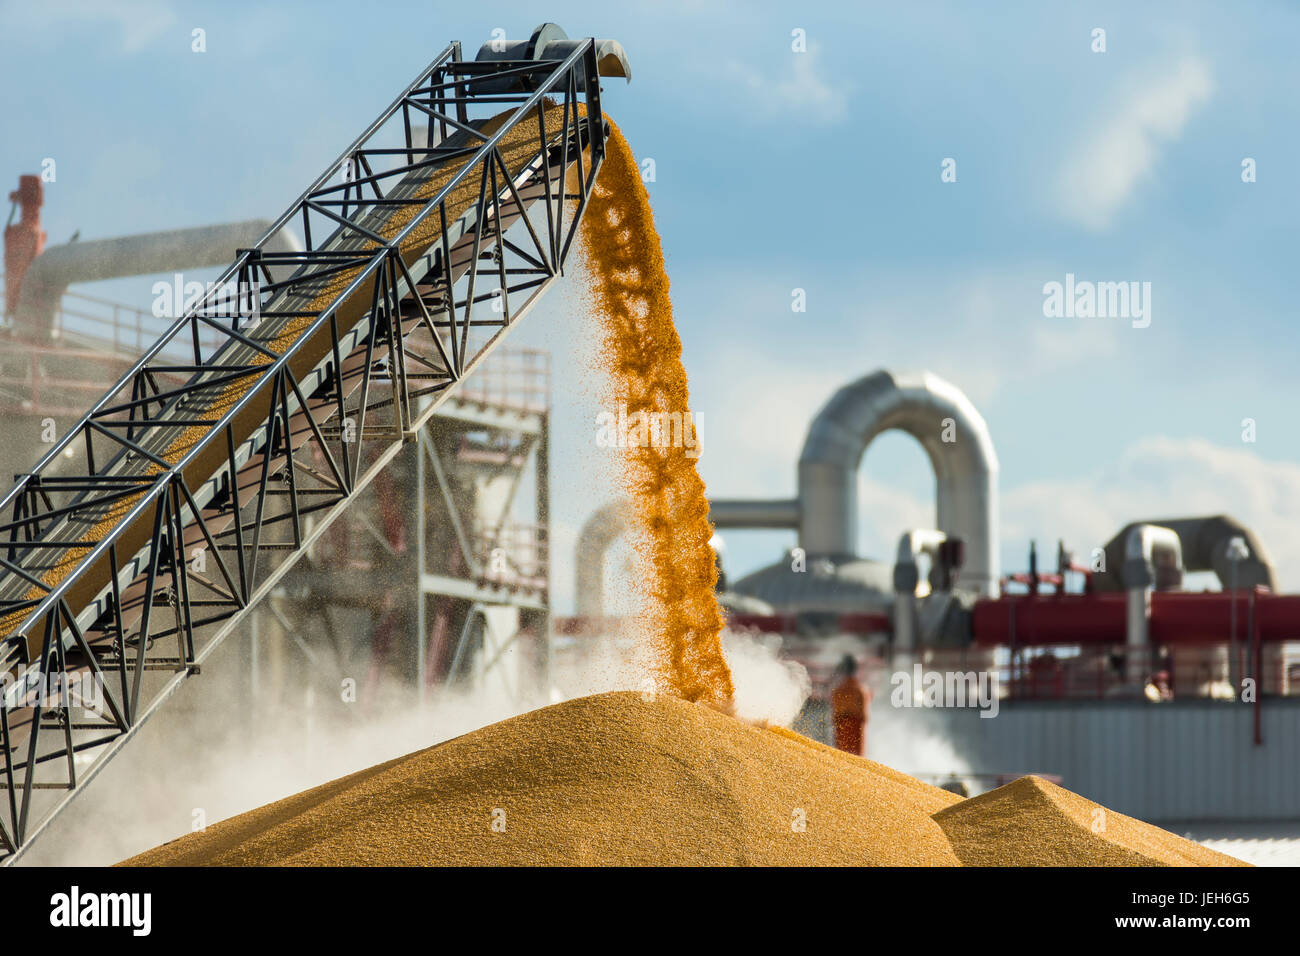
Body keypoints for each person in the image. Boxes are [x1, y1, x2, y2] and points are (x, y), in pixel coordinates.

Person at [830, 655, 870, 756]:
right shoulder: (861, 690)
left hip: (841, 727)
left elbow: (835, 714)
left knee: (842, 756)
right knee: (856, 757)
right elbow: (864, 715)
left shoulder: (838, 690)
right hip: (856, 728)